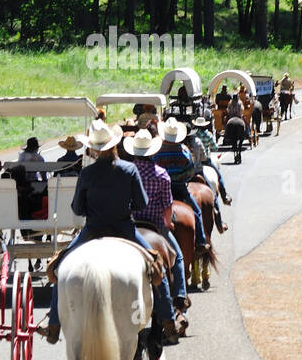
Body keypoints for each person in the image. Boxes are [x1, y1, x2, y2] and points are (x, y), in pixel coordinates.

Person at [39, 120, 152, 345]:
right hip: (124, 230)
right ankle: (168, 319)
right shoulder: (129, 169)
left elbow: (77, 209)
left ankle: (53, 326)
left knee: (61, 271)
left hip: (92, 232)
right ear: (114, 145)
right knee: (158, 266)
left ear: (94, 149)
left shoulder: (87, 173)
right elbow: (142, 203)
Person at [125, 129, 185, 342]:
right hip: (156, 226)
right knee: (177, 257)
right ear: (151, 151)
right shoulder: (161, 174)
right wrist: (167, 224)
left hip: (128, 226)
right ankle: (179, 299)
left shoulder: (127, 170)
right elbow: (167, 208)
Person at [151, 118, 208, 270]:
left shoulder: (157, 150)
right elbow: (190, 170)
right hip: (180, 189)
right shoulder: (184, 150)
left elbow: (153, 167)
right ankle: (201, 241)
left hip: (162, 189)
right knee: (196, 212)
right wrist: (183, 177)